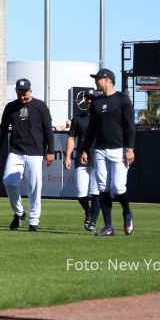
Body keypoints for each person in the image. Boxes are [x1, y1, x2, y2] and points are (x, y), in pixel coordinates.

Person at [81, 68, 136, 236]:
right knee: (103, 188)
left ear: (107, 80)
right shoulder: (96, 103)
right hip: (100, 150)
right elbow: (91, 130)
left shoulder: (122, 99)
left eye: (97, 78)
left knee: (118, 188)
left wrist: (130, 148)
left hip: (119, 149)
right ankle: (108, 226)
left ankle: (127, 212)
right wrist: (85, 149)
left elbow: (130, 126)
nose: (95, 81)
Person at [0, 78, 54, 231]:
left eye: (25, 93)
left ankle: (34, 221)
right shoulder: (11, 107)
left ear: (30, 91)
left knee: (34, 187)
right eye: (20, 93)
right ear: (16, 92)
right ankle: (19, 213)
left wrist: (51, 151)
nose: (22, 96)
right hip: (16, 151)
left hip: (35, 152)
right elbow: (2, 130)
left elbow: (48, 130)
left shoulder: (40, 106)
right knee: (8, 182)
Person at [64, 89, 99, 232]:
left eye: (92, 98)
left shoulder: (102, 117)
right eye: (87, 98)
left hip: (98, 157)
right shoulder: (78, 118)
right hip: (81, 158)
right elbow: (71, 138)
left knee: (96, 191)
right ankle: (88, 211)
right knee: (80, 192)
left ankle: (93, 222)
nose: (89, 100)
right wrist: (67, 156)